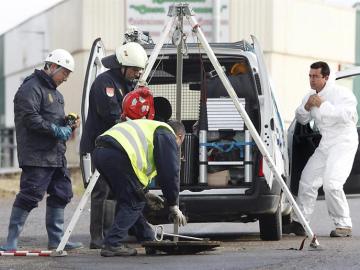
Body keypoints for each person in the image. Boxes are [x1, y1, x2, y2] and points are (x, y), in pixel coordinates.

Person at [0, 49, 82, 251]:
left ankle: (57, 239)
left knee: (62, 193)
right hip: (37, 155)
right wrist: (56, 129)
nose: (66, 78)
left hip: (56, 155)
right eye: (64, 73)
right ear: (52, 67)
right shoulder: (30, 88)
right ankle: (10, 242)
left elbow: (52, 119)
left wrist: (68, 123)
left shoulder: (57, 94)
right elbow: (30, 118)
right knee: (30, 194)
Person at [80, 42, 148, 249]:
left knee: (116, 190)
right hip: (100, 145)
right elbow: (111, 115)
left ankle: (112, 235)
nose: (137, 74)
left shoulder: (127, 84)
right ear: (123, 66)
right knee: (102, 190)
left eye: (139, 70)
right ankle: (98, 237)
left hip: (117, 147)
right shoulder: (105, 83)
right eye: (135, 69)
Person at [283, 61, 358, 237]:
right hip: (326, 143)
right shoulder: (309, 95)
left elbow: (348, 115)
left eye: (316, 76)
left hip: (344, 142)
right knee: (307, 180)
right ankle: (300, 222)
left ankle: (344, 225)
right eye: (310, 76)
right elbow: (301, 119)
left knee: (332, 183)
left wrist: (322, 104)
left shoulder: (341, 93)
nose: (312, 80)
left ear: (326, 77)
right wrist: (307, 106)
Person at [92, 119, 187, 257]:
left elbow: (137, 168)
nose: (178, 148)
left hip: (101, 153)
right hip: (118, 154)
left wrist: (145, 193)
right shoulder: (167, 135)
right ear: (179, 136)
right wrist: (173, 204)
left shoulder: (151, 128)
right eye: (180, 143)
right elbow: (169, 172)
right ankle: (112, 244)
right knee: (134, 202)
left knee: (130, 199)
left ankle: (149, 240)